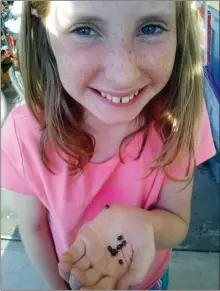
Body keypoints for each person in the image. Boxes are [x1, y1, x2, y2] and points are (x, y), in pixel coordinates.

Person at [1, 1, 216, 290]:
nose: (123, 76)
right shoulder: (23, 133)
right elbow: (34, 228)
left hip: (150, 281)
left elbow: (177, 221)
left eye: (150, 28)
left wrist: (147, 226)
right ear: (41, 25)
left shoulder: (182, 117)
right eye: (84, 29)